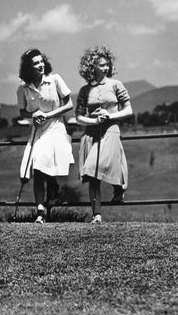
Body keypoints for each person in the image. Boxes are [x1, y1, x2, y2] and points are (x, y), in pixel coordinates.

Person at [16, 48, 75, 223]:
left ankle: (52, 186)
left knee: (43, 160)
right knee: (36, 166)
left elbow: (69, 105)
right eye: (36, 63)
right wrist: (33, 115)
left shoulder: (55, 80)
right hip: (38, 130)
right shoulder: (23, 89)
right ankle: (40, 210)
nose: (40, 65)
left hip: (56, 126)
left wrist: (48, 115)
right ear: (28, 68)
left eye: (42, 61)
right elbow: (22, 112)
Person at [75, 46, 132, 224]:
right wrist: (93, 121)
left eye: (107, 64)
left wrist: (110, 116)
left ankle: (119, 187)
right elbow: (78, 117)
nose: (106, 68)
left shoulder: (116, 85)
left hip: (111, 130)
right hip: (92, 133)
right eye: (102, 65)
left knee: (98, 165)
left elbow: (129, 110)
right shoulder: (85, 90)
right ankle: (97, 215)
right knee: (92, 173)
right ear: (92, 66)